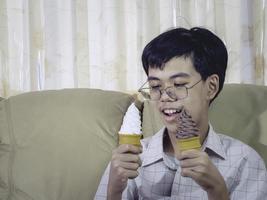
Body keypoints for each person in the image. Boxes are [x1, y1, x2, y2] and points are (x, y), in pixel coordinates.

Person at [94, 27, 267, 199]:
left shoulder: (244, 162)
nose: (165, 97)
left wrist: (218, 190)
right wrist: (114, 191)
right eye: (155, 86)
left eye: (178, 84)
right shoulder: (131, 159)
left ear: (211, 87)